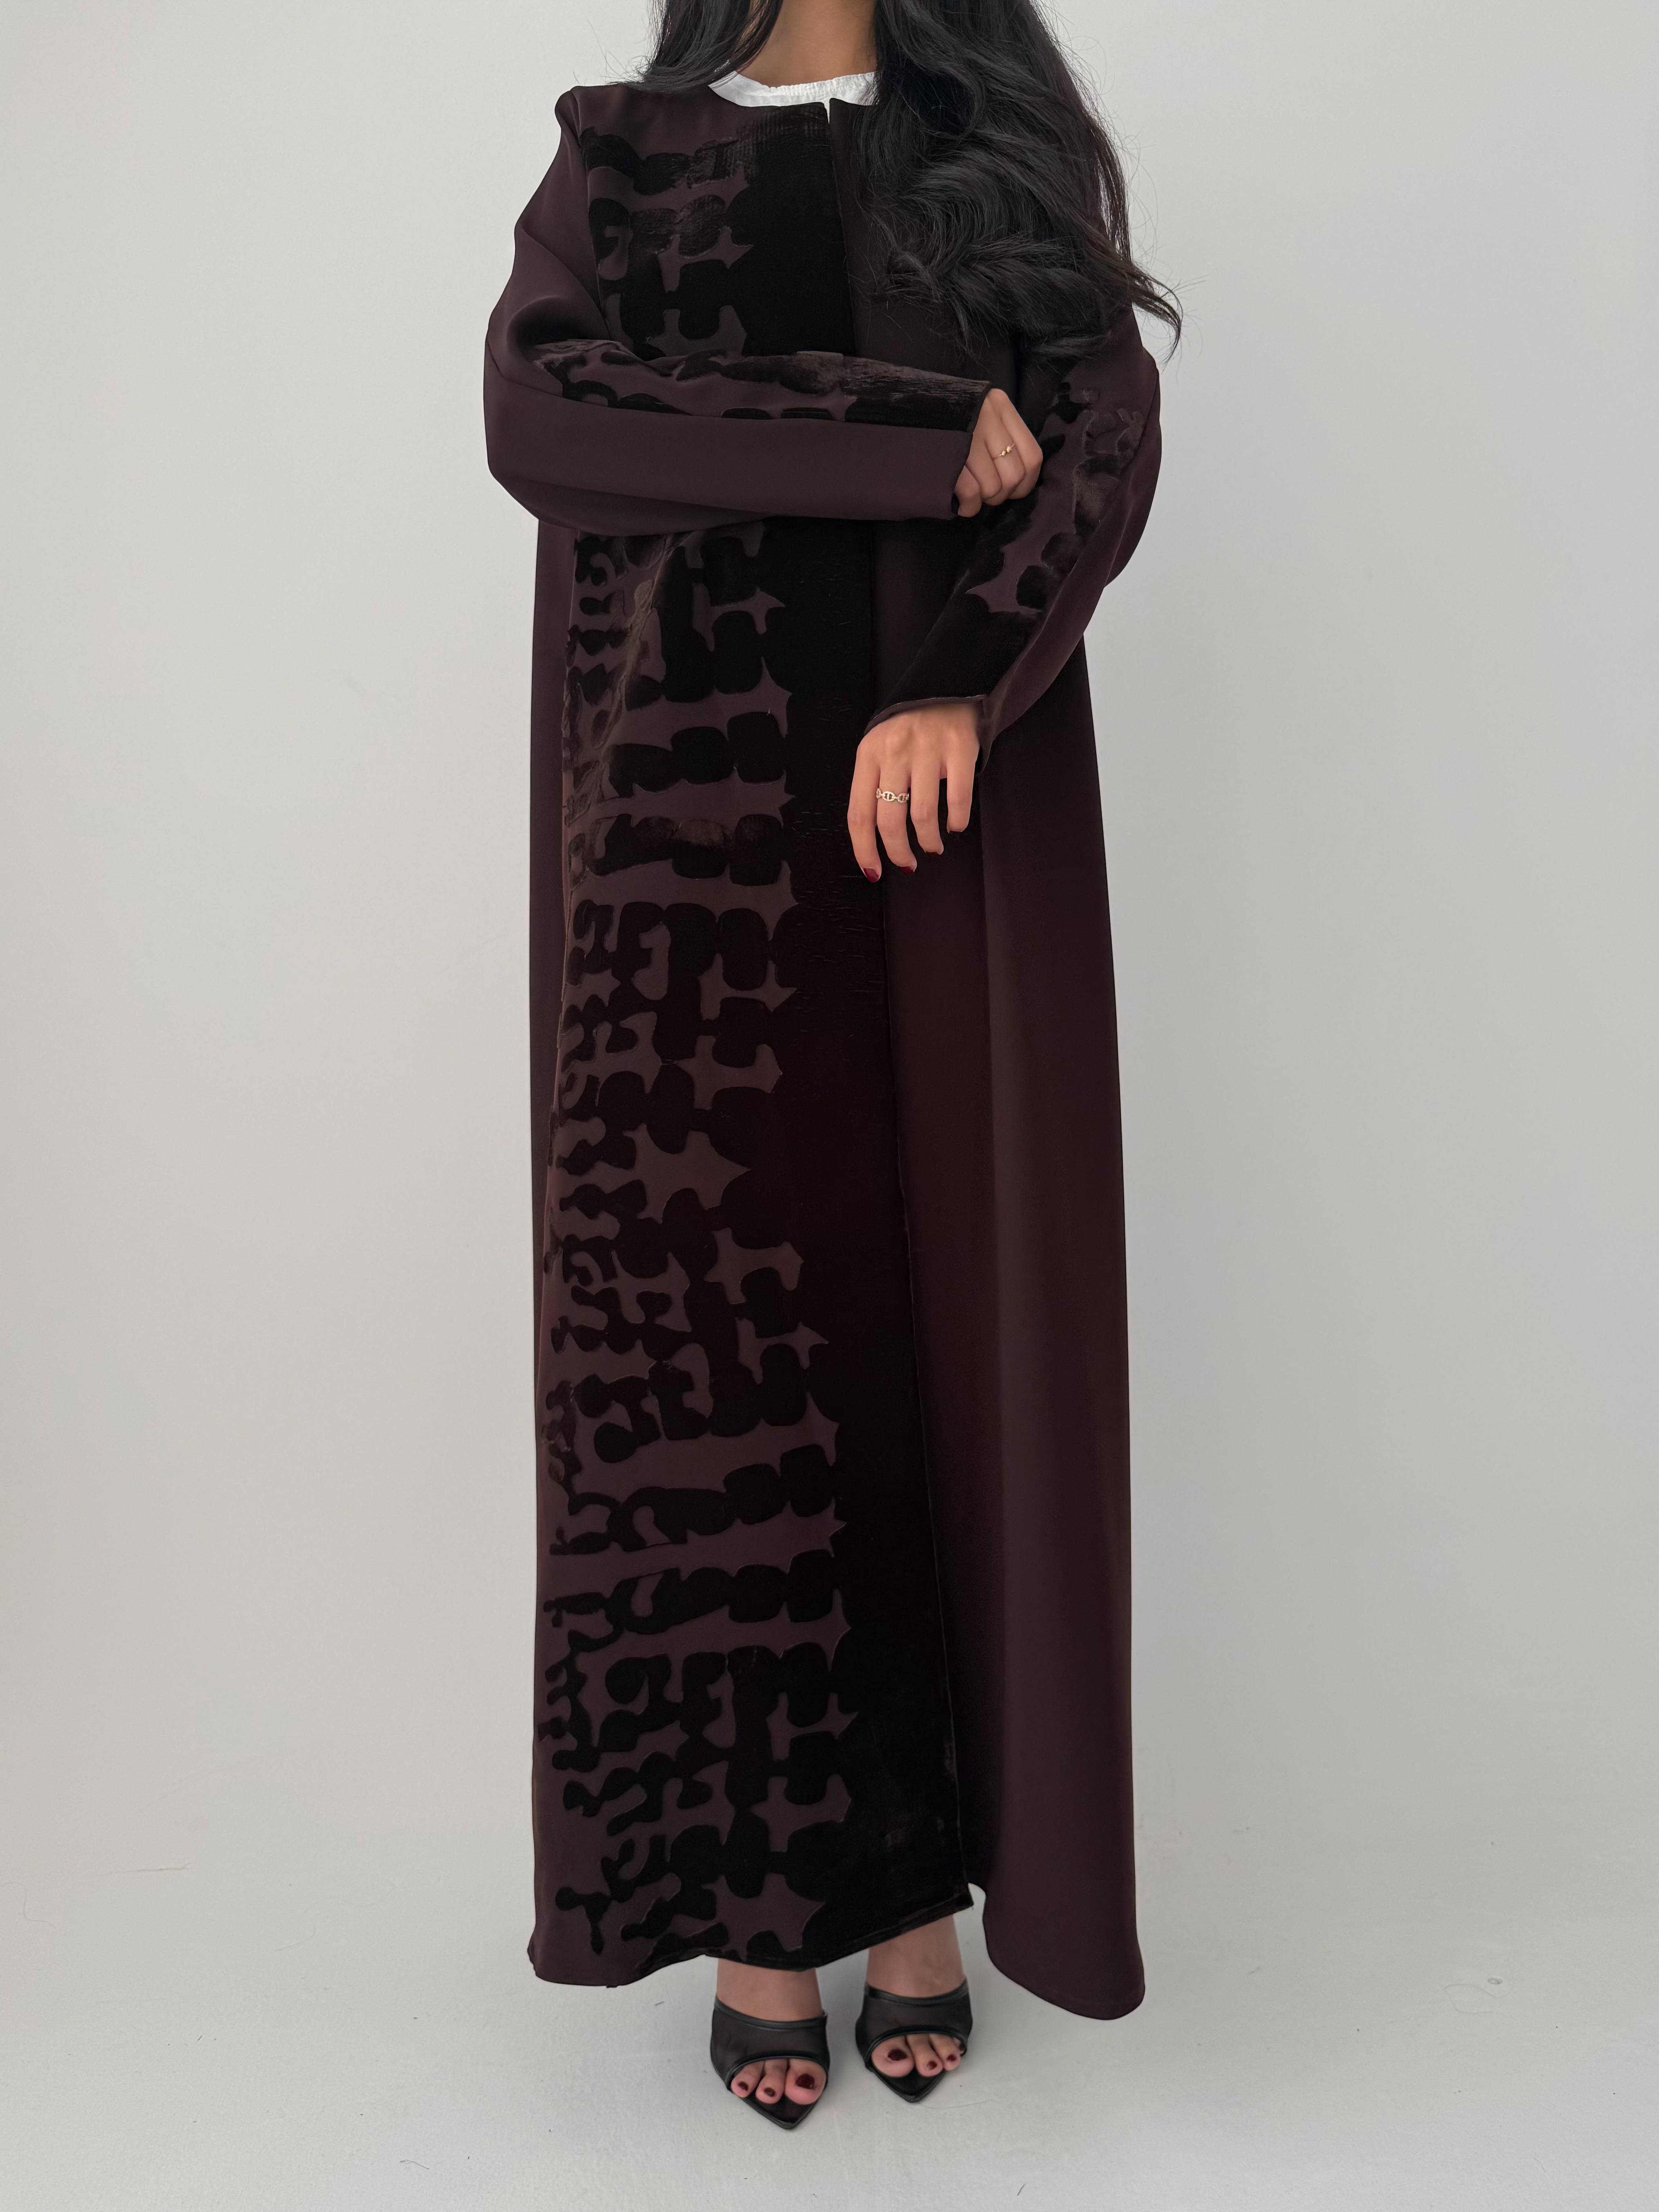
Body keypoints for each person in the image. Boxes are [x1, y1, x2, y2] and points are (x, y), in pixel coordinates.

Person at [483, 0, 1178, 2130]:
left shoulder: (989, 152)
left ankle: (919, 1901)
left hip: (938, 822)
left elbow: (1099, 439)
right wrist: (905, 430)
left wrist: (965, 681)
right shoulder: (625, 151)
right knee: (715, 1388)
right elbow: (544, 412)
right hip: (679, 874)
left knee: (958, 1338)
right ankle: (759, 1911)